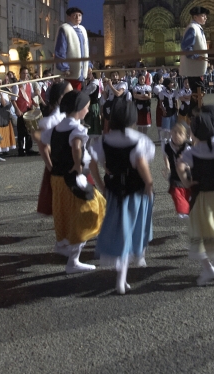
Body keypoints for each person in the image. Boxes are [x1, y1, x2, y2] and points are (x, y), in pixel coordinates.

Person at [88, 99, 155, 294]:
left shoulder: (104, 140)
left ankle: (123, 271)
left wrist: (101, 183)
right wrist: (149, 184)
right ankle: (129, 268)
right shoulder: (139, 140)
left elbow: (92, 162)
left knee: (118, 228)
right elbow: (141, 163)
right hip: (136, 191)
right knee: (135, 228)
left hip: (114, 189)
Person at [41, 90, 106, 273]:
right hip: (73, 179)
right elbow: (77, 147)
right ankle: (73, 261)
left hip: (57, 178)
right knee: (88, 212)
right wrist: (77, 165)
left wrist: (50, 165)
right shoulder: (77, 129)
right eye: (86, 107)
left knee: (65, 211)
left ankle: (62, 244)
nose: (88, 110)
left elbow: (42, 143)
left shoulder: (56, 128)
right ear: (79, 108)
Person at [176, 110, 214, 286]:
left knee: (198, 232)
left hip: (201, 196)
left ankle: (208, 268)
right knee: (213, 231)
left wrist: (186, 181)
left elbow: (180, 164)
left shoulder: (193, 152)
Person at [35, 81, 71, 217]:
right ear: (61, 97)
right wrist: (51, 168)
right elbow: (43, 146)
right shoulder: (51, 120)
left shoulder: (69, 115)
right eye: (69, 93)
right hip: (59, 164)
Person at [179, 6, 210, 114]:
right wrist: (197, 57)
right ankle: (195, 115)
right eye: (203, 15)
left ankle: (195, 115)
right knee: (198, 93)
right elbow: (187, 48)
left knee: (198, 93)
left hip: (196, 69)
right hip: (193, 69)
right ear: (195, 17)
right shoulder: (192, 28)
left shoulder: (197, 28)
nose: (205, 18)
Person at [55, 7, 91, 91]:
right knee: (70, 94)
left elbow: (86, 50)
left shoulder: (82, 29)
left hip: (81, 73)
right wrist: (64, 68)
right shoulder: (65, 29)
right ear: (69, 17)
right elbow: (60, 50)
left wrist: (88, 65)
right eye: (75, 15)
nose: (78, 17)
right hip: (70, 72)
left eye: (79, 15)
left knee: (78, 94)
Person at [161, 120, 191, 218]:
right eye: (174, 131)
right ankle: (183, 211)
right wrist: (167, 166)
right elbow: (165, 156)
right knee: (176, 193)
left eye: (180, 133)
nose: (176, 135)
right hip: (175, 177)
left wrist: (187, 166)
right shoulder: (167, 146)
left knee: (188, 195)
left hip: (187, 176)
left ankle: (188, 210)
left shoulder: (189, 148)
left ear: (186, 136)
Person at [14, 67, 37, 156]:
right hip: (21, 109)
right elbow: (13, 99)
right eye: (23, 73)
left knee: (29, 130)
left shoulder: (29, 84)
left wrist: (34, 102)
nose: (25, 75)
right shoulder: (17, 85)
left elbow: (31, 96)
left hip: (29, 109)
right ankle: (20, 149)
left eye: (27, 73)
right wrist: (17, 109)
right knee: (21, 131)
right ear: (20, 74)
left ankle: (29, 148)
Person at [84, 71, 103, 137]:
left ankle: (94, 136)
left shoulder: (94, 84)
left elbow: (85, 93)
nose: (88, 75)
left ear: (93, 75)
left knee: (92, 121)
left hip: (92, 105)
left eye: (89, 74)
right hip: (90, 104)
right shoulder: (91, 83)